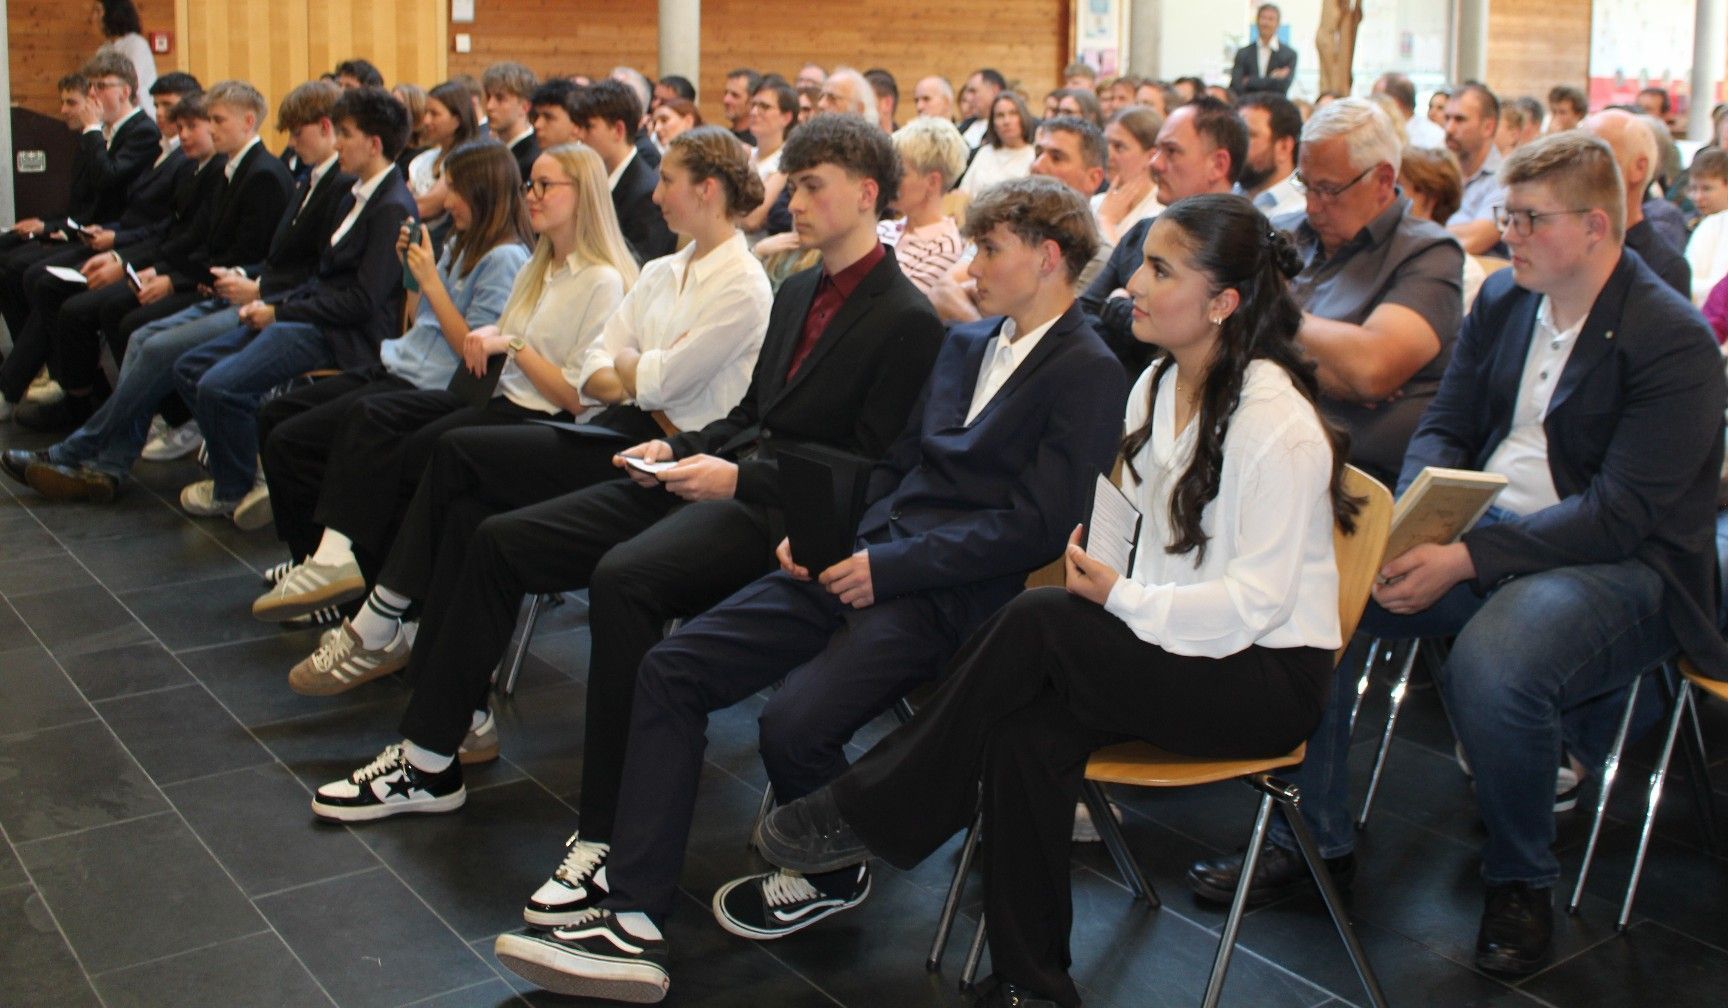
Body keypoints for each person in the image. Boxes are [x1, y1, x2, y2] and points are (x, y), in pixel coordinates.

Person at [491, 173, 1130, 1003]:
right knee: (675, 667)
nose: (972, 263)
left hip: (951, 595)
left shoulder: (1087, 369)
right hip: (871, 554)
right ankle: (634, 918)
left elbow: (1036, 527)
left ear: (1048, 258)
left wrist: (888, 567)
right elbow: (902, 464)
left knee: (791, 725)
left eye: (991, 248)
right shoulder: (971, 344)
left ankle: (830, 860)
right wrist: (829, 533)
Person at [301, 124, 942, 950]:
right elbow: (753, 420)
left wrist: (734, 477)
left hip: (790, 521)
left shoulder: (906, 317)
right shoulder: (795, 291)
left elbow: (864, 466)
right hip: (723, 479)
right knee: (501, 540)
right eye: (797, 184)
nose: (795, 200)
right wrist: (677, 450)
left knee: (627, 579)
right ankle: (429, 758)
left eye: (813, 185)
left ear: (867, 193)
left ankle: (604, 835)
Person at [749, 192, 1353, 1008]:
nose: (1131, 282)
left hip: (1260, 679)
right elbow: (1127, 533)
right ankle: (1031, 984)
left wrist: (1123, 600)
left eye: (1161, 270)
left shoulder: (1273, 421)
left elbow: (1252, 605)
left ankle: (880, 805)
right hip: (1172, 648)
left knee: (1039, 622)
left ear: (1223, 304)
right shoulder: (1158, 386)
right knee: (1026, 734)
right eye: (1143, 261)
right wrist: (1108, 579)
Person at [1186, 130, 1727, 979]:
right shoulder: (1508, 301)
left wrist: (1471, 559)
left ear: (1595, 226)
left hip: (1631, 570)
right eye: (1505, 213)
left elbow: (1622, 515)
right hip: (1492, 532)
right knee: (1320, 599)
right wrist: (1424, 515)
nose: (1506, 231)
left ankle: (1521, 879)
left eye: (1527, 218)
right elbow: (1450, 417)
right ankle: (1317, 840)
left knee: (1496, 659)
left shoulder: (1673, 339)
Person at [279, 127, 772, 695]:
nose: (654, 195)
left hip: (672, 454)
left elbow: (647, 383)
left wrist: (631, 366)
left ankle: (379, 618)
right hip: (622, 426)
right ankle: (449, 699)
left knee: (453, 453)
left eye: (666, 181)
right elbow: (596, 367)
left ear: (707, 189)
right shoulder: (663, 269)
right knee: (463, 508)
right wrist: (637, 367)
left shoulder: (742, 285)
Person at [8, 80, 354, 502]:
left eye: (214, 120)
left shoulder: (295, 178)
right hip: (250, 291)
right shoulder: (306, 178)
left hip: (272, 305)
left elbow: (317, 271)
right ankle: (107, 464)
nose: (204, 129)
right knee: (139, 336)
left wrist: (253, 285)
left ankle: (81, 450)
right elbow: (252, 253)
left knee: (153, 344)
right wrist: (244, 277)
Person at [245, 141, 534, 598]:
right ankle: (311, 558)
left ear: (482, 192)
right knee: (278, 419)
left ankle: (336, 567)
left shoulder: (505, 259)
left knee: (321, 436)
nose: (444, 197)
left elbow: (475, 354)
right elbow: (420, 318)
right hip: (401, 365)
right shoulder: (461, 242)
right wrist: (412, 274)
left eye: (453, 187)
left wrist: (432, 282)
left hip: (436, 385)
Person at [170, 86, 416, 522]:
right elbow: (323, 278)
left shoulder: (392, 206)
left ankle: (237, 483)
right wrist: (274, 300)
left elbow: (361, 301)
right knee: (190, 368)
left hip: (344, 338)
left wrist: (281, 311)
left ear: (374, 144)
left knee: (219, 385)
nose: (336, 142)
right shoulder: (353, 195)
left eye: (345, 133)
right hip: (311, 317)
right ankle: (247, 467)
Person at [1279, 98, 1463, 487]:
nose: (1312, 205)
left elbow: (1369, 371)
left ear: (1382, 180)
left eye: (1329, 190)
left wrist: (1268, 313)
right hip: (1264, 452)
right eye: (1305, 185)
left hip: (1355, 480)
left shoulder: (1429, 253)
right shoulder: (1279, 232)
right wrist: (1331, 370)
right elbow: (1213, 333)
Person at [1080, 96, 1246, 378]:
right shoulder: (1141, 233)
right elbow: (1084, 317)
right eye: (1155, 150)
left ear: (1217, 164)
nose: (1155, 164)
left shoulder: (1245, 248)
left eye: (1171, 152)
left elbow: (1193, 348)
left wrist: (1118, 308)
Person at [1584, 110, 1691, 298]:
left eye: (1596, 157)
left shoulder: (1664, 266)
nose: (1579, 170)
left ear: (1638, 168)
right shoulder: (1564, 245)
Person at [571, 79, 676, 264]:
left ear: (618, 130)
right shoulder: (599, 179)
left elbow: (641, 267)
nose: (580, 136)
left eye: (588, 127)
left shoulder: (647, 195)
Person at [877, 116, 968, 295]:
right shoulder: (884, 228)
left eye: (899, 172)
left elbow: (895, 308)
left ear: (933, 182)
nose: (888, 179)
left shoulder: (945, 247)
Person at [1397, 146, 1487, 307]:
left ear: (1430, 198)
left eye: (1397, 186)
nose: (1384, 195)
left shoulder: (1464, 273)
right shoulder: (1378, 254)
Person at [406, 81, 480, 252]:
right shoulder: (426, 158)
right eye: (426, 112)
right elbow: (403, 198)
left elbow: (426, 206)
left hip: (441, 245)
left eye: (434, 114)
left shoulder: (465, 160)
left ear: (457, 119)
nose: (426, 120)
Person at [1444, 82, 1506, 255]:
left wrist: (1426, 229)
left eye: (1460, 119)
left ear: (1488, 127)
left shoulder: (1507, 181)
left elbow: (1475, 240)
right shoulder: (1439, 171)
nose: (1449, 129)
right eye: (1447, 118)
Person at [1093, 107, 1163, 244]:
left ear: (1151, 156)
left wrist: (1106, 220)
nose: (1108, 155)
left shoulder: (1161, 215)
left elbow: (1125, 266)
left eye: (1118, 147)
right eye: (1105, 144)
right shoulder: (1095, 202)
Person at [1237, 92, 1304, 216]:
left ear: (1284, 147)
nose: (1236, 143)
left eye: (1249, 135)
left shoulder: (1300, 213)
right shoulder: (1227, 193)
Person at [958, 92, 1036, 198]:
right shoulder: (985, 152)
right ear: (993, 123)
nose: (1006, 121)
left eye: (1013, 113)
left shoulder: (1034, 156)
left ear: (1023, 117)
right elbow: (964, 193)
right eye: (1000, 115)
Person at [482, 62, 540, 182]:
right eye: (488, 97)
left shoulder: (534, 158)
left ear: (525, 107)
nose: (489, 106)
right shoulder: (489, 150)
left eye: (500, 98)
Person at [1687, 148, 1728, 306]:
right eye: (1693, 189)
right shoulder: (1706, 226)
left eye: (1706, 189)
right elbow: (1688, 282)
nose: (1698, 197)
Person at [90, 0, 155, 97]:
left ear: (113, 14)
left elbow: (133, 81)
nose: (94, 17)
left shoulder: (136, 44)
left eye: (98, 11)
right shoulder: (104, 49)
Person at [1230, 4, 1296, 97]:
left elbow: (1283, 86)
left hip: (1276, 107)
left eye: (1271, 19)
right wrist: (1272, 79)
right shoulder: (1243, 53)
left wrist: (1249, 81)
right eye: (1263, 18)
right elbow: (1236, 85)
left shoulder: (1289, 54)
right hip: (1247, 105)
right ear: (1257, 21)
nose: (1266, 23)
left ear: (1278, 24)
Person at [1372, 72, 1444, 147]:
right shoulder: (1380, 134)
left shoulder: (1433, 137)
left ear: (1394, 103)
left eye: (1376, 101)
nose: (1372, 106)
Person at [957, 68, 1006, 149]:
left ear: (994, 91)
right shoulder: (964, 125)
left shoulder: (1005, 128)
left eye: (973, 91)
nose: (968, 98)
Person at [722, 68, 761, 144]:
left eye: (735, 95)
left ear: (752, 101)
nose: (726, 100)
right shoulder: (722, 140)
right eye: (726, 93)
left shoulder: (761, 143)